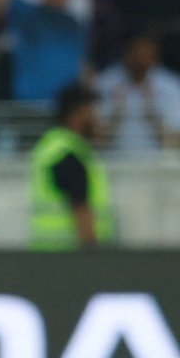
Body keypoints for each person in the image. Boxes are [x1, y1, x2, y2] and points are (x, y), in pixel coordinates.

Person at [29, 82, 113, 250]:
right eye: (92, 111)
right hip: (68, 256)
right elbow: (81, 211)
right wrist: (95, 257)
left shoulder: (52, 146)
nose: (98, 119)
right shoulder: (67, 154)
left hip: (50, 254)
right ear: (78, 113)